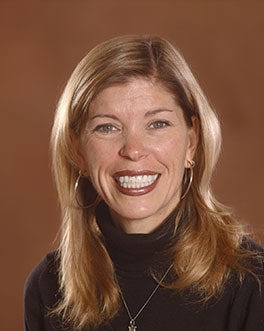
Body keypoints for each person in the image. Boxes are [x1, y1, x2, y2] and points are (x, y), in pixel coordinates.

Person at [24, 35, 264, 331]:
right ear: (78, 152)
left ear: (192, 142)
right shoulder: (48, 288)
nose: (133, 150)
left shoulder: (252, 283)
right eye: (107, 127)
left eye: (157, 124)